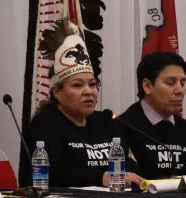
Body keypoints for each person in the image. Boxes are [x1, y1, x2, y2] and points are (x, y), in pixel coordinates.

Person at [23, 20, 144, 188]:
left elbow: (131, 165)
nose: (89, 91)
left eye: (93, 84)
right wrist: (101, 177)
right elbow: (51, 173)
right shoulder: (45, 124)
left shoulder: (106, 121)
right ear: (57, 92)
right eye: (78, 85)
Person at [116, 52, 186, 178]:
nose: (180, 90)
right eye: (171, 83)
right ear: (147, 86)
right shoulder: (123, 127)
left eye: (182, 83)